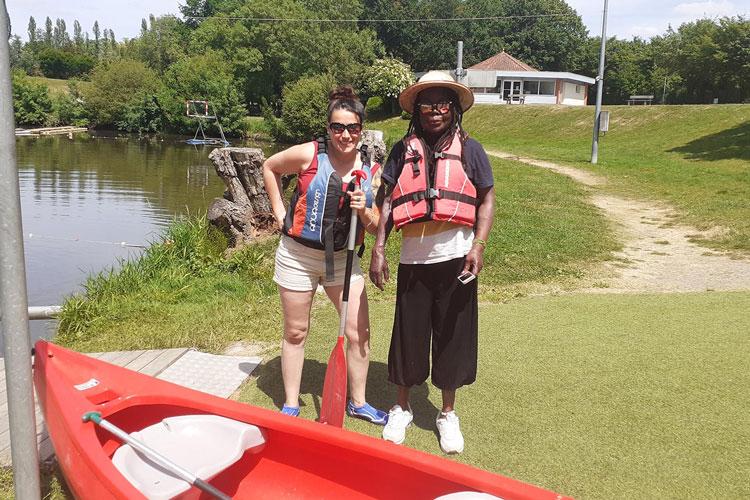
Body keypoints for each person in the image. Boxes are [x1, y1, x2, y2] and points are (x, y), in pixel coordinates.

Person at [369, 72, 495, 453]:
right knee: (408, 336)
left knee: (452, 336)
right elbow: (388, 200)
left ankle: (447, 413)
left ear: (454, 109)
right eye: (428, 105)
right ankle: (402, 406)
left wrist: (479, 245)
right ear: (418, 111)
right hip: (413, 260)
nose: (435, 112)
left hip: (457, 258)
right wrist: (378, 248)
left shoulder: (471, 149)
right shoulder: (400, 149)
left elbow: (486, 198)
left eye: (443, 104)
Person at [263, 86, 387, 425]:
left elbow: (376, 227)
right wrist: (277, 211)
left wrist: (364, 212)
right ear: (328, 128)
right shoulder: (308, 154)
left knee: (358, 332)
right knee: (296, 331)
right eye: (337, 127)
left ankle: (358, 402)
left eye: (352, 127)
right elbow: (270, 167)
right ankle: (291, 403)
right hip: (298, 256)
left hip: (345, 260)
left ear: (362, 129)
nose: (345, 134)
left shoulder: (372, 172)